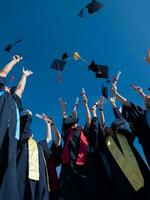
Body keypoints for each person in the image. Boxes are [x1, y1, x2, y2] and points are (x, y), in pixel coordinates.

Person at [58, 91, 110, 200]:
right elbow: (65, 121)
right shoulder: (69, 132)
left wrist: (86, 105)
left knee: (89, 191)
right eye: (72, 117)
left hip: (85, 162)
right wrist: (63, 109)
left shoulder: (84, 131)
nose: (73, 117)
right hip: (70, 164)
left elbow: (89, 120)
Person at [96, 96, 150, 200]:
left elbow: (120, 119)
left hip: (140, 173)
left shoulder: (123, 135)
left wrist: (113, 104)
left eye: (109, 127)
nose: (107, 128)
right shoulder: (107, 143)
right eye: (106, 129)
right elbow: (102, 125)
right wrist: (101, 109)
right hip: (123, 181)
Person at [0, 55, 32, 200]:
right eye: (7, 87)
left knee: (8, 174)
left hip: (11, 138)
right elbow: (3, 73)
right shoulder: (1, 93)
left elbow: (19, 89)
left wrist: (24, 75)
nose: (10, 88)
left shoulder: (14, 100)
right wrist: (14, 61)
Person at [111, 83, 150, 167]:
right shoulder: (141, 115)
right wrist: (116, 93)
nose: (147, 97)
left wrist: (141, 93)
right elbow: (127, 103)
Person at [17, 110, 50, 200]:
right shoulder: (21, 143)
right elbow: (25, 129)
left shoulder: (39, 146)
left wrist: (48, 123)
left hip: (39, 179)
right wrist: (28, 116)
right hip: (24, 177)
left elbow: (48, 138)